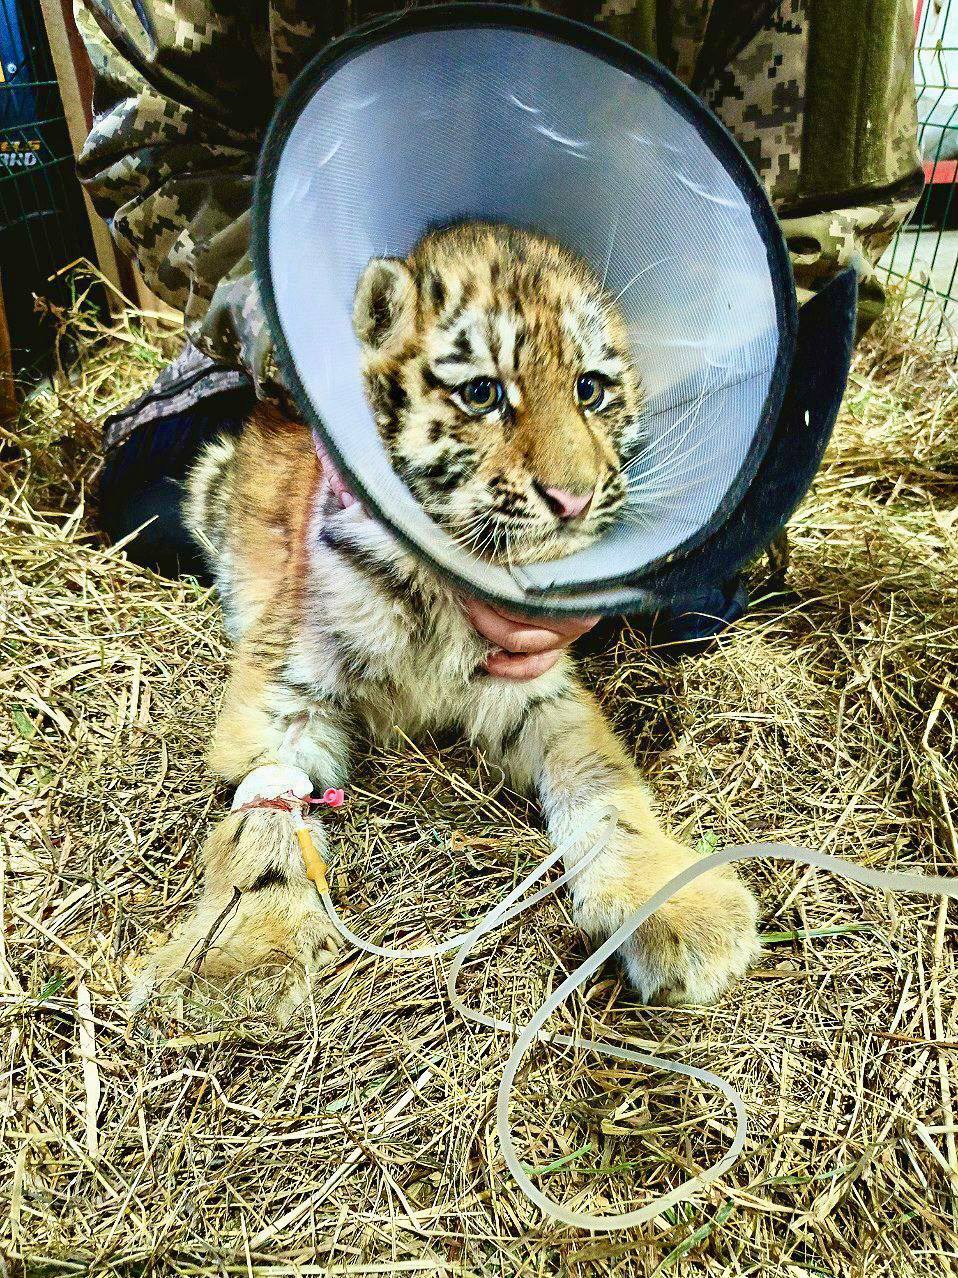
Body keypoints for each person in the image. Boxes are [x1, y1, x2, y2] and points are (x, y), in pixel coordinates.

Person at [76, 0, 922, 676]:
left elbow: (817, 217)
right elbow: (157, 141)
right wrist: (316, 366)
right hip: (331, 270)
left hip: (658, 333)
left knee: (686, 604)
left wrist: (610, 569)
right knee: (151, 497)